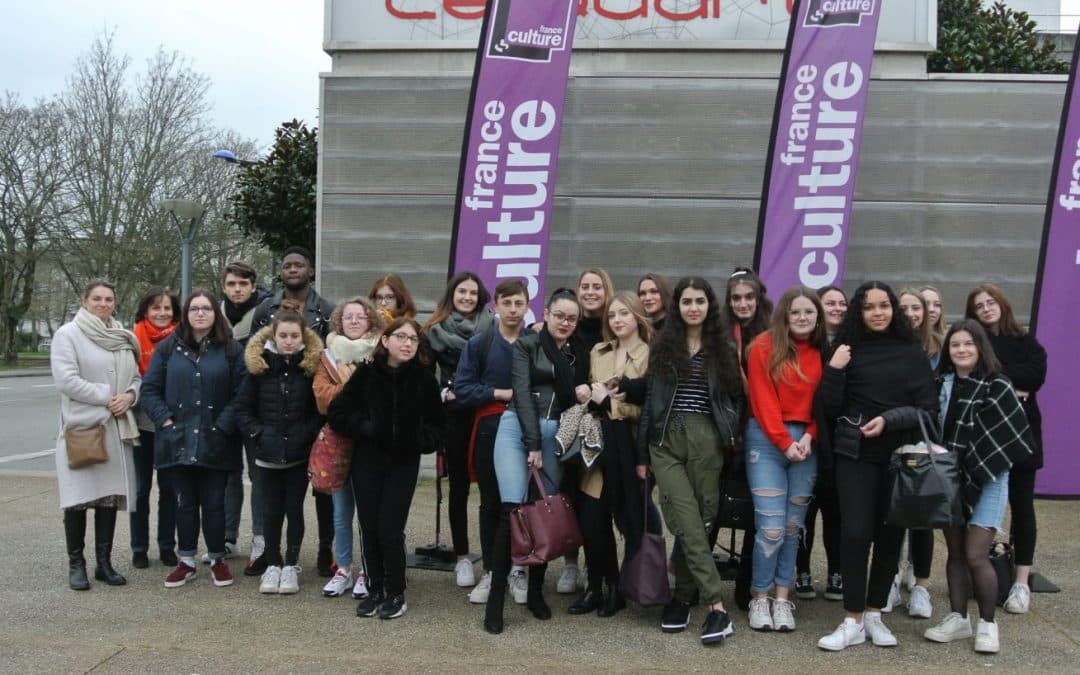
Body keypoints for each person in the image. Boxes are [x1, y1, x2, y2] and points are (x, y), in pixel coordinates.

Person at [816, 281, 937, 651]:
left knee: (890, 537)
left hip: (899, 459)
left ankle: (874, 615)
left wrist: (890, 420)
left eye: (884, 306)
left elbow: (928, 412)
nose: (878, 313)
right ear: (859, 312)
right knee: (854, 535)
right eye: (869, 307)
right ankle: (851, 620)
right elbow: (828, 407)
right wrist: (834, 370)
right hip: (855, 456)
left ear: (894, 310)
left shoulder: (911, 352)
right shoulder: (845, 349)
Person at [639, 277, 744, 645]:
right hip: (666, 439)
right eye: (686, 301)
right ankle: (717, 605)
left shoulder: (723, 348)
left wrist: (729, 440)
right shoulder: (664, 346)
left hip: (707, 439)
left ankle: (683, 597)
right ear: (677, 306)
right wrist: (642, 453)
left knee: (700, 518)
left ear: (708, 306)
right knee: (683, 514)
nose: (693, 307)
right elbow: (652, 402)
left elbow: (734, 398)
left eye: (700, 301)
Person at [483, 289, 591, 634]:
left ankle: (534, 593)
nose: (565, 322)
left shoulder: (577, 353)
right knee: (511, 510)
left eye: (571, 318)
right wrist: (532, 443)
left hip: (557, 435)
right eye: (559, 315)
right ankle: (496, 601)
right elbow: (522, 395)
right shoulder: (527, 345)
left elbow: (576, 397)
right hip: (517, 429)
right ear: (546, 313)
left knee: (546, 508)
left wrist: (584, 390)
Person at [923, 320, 1034, 654]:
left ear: (980, 347)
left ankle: (987, 623)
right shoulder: (941, 383)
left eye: (968, 344)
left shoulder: (998, 384)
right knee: (955, 552)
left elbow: (1011, 436)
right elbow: (930, 425)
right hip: (949, 478)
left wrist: (976, 464)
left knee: (975, 554)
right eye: (955, 345)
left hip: (990, 477)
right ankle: (958, 619)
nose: (961, 350)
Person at [328, 317, 445, 619]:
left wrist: (419, 439)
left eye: (413, 339)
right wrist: (368, 428)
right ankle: (375, 588)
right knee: (368, 527)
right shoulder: (366, 375)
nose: (407, 343)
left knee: (390, 529)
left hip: (403, 463)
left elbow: (437, 426)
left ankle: (396, 592)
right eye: (401, 337)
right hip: (367, 461)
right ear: (385, 341)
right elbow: (338, 413)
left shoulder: (424, 379)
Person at [140, 290, 247, 589]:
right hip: (178, 438)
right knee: (184, 502)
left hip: (217, 439)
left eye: (207, 309)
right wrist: (166, 420)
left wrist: (223, 426)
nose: (201, 314)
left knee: (214, 503)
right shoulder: (167, 349)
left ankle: (217, 558)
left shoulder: (231, 350)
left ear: (215, 314)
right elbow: (149, 390)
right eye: (194, 309)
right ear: (186, 314)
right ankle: (185, 559)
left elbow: (242, 394)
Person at [744, 287, 826, 632]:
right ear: (784, 315)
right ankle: (759, 598)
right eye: (796, 312)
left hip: (807, 443)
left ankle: (782, 597)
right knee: (772, 528)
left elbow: (826, 401)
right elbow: (762, 399)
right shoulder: (763, 346)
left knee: (793, 528)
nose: (803, 317)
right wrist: (783, 440)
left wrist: (809, 435)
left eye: (810, 312)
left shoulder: (825, 351)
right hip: (767, 439)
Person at [567, 291, 654, 618]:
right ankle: (596, 586)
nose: (617, 320)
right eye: (613, 315)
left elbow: (646, 407)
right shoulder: (598, 352)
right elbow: (589, 393)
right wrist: (586, 393)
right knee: (592, 521)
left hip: (628, 447)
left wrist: (608, 402)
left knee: (628, 519)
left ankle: (621, 589)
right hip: (595, 443)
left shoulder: (649, 354)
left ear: (637, 317)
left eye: (624, 314)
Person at [250, 247, 336, 577]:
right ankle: (267, 551)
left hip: (313, 409)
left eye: (299, 265)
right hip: (274, 413)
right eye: (287, 265)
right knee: (272, 494)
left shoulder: (326, 311)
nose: (293, 269)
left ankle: (325, 547)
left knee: (322, 488)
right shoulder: (264, 309)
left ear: (310, 271)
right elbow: (254, 354)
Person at [51, 279, 140, 591]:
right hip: (83, 428)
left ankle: (104, 564)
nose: (103, 304)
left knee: (108, 498)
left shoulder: (120, 335)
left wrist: (129, 395)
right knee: (77, 499)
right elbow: (66, 381)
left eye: (108, 299)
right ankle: (77, 564)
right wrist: (108, 395)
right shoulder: (68, 335)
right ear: (84, 300)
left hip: (116, 427)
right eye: (97, 299)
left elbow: (137, 376)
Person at [966, 282, 1046, 615]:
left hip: (1023, 431)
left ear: (1002, 304)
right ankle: (981, 573)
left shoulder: (1026, 342)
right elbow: (977, 376)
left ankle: (1020, 582)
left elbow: (1036, 375)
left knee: (1023, 505)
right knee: (979, 507)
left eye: (990, 302)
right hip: (985, 433)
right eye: (979, 305)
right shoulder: (974, 343)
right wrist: (1012, 386)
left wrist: (997, 378)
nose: (986, 308)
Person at [238, 301, 324, 595]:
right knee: (271, 512)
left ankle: (291, 564)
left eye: (294, 336)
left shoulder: (309, 370)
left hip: (298, 455)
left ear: (303, 337)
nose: (288, 341)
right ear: (274, 336)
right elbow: (243, 409)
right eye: (283, 336)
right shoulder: (259, 369)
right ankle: (272, 562)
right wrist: (258, 434)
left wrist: (306, 434)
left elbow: (318, 412)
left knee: (294, 510)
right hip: (267, 455)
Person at [453, 280, 530, 605]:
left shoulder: (536, 341)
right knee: (491, 502)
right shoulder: (480, 343)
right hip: (489, 426)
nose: (513, 310)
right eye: (507, 303)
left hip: (527, 429)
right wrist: (497, 393)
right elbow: (463, 388)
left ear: (527, 306)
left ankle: (518, 569)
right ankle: (490, 572)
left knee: (523, 504)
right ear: (495, 306)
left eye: (519, 303)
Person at [422, 272, 494, 588]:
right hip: (453, 414)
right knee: (459, 488)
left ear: (481, 297)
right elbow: (424, 377)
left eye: (472, 293)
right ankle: (463, 558)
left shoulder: (493, 327)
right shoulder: (435, 330)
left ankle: (493, 561)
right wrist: (439, 395)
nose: (467, 297)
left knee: (491, 488)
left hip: (487, 412)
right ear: (452, 294)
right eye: (461, 291)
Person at [313, 297, 384, 599]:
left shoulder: (381, 352)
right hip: (340, 443)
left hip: (372, 443)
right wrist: (355, 386)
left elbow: (381, 397)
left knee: (370, 512)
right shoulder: (328, 357)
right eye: (348, 317)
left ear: (370, 322)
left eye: (360, 317)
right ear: (339, 322)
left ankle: (369, 568)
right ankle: (343, 567)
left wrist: (349, 393)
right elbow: (321, 397)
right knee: (341, 513)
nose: (354, 321)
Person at [888, 287, 943, 619]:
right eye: (904, 308)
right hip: (893, 436)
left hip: (927, 438)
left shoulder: (939, 349)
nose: (910, 314)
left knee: (922, 519)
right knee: (893, 513)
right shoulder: (889, 348)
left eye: (916, 308)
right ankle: (892, 579)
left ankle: (921, 585)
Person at [219, 261, 273, 572]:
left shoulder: (266, 314)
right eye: (231, 284)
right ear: (224, 287)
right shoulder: (215, 317)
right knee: (227, 474)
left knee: (259, 475)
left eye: (243, 284)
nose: (237, 289)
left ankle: (261, 538)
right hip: (225, 407)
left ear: (253, 286)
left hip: (256, 408)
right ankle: (227, 537)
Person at [795, 286, 846, 602]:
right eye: (830, 303)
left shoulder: (850, 345)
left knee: (835, 514)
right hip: (806, 438)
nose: (837, 308)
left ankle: (836, 572)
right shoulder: (807, 347)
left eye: (842, 303)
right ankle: (801, 572)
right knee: (805, 512)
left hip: (838, 443)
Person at [129, 286, 180, 569]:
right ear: (145, 311)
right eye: (155, 308)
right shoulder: (133, 337)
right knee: (140, 489)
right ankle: (139, 547)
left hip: (171, 422)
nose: (162, 313)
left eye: (167, 308)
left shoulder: (182, 338)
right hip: (141, 422)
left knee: (170, 488)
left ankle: (166, 546)